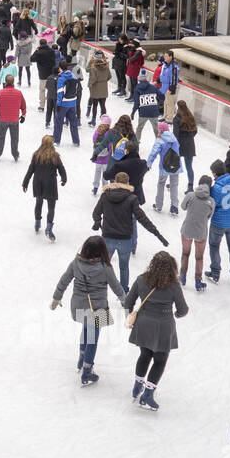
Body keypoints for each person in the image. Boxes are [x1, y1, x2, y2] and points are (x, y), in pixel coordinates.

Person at [51, 235, 127, 386]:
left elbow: (64, 279)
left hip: (79, 304)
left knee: (86, 329)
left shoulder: (76, 263)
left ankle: (81, 359)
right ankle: (87, 370)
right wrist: (126, 302)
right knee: (93, 338)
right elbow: (116, 287)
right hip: (97, 308)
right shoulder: (105, 268)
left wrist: (56, 297)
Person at [123, 251, 188, 411]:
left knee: (144, 355)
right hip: (164, 326)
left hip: (144, 324)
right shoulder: (173, 286)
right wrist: (177, 315)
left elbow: (128, 302)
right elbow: (183, 309)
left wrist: (130, 316)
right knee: (159, 360)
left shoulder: (141, 280)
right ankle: (148, 394)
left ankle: (137, 386)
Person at [92, 171, 167, 292]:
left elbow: (96, 213)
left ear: (115, 182)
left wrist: (97, 222)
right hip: (125, 239)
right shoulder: (132, 198)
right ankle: (124, 293)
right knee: (124, 267)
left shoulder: (105, 195)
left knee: (103, 266)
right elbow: (142, 218)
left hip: (108, 238)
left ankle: (98, 290)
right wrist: (157, 234)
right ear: (127, 183)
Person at [206, 159, 230, 285]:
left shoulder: (216, 188)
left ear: (215, 174)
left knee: (214, 245)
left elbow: (213, 204)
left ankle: (215, 273)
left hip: (219, 222)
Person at [23, 135, 67, 239]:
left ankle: (37, 223)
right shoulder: (55, 156)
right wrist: (64, 179)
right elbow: (61, 168)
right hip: (50, 183)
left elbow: (30, 170)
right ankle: (49, 227)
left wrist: (25, 183)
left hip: (38, 183)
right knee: (51, 207)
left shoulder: (36, 155)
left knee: (39, 202)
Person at [179, 176, 214, 291]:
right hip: (201, 232)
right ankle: (198, 282)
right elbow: (209, 216)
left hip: (187, 230)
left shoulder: (190, 195)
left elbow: (183, 207)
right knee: (199, 257)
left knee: (185, 254)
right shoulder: (211, 201)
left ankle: (182, 277)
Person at [146, 121, 183, 216]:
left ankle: (159, 205)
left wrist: (149, 163)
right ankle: (174, 207)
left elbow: (153, 153)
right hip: (176, 165)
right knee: (174, 185)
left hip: (164, 167)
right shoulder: (174, 138)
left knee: (161, 184)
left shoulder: (160, 140)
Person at [0, 74, 26, 162]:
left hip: (3, 119)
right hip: (14, 119)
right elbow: (23, 105)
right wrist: (23, 115)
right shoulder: (18, 93)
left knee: (1, 137)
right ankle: (15, 154)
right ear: (13, 82)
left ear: (5, 82)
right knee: (14, 138)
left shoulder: (0, 92)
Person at [51, 61, 82, 146]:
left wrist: (58, 104)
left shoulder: (61, 78)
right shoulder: (73, 76)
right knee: (73, 123)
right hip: (73, 102)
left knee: (58, 122)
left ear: (60, 68)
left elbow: (60, 92)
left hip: (64, 104)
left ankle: (56, 141)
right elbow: (77, 89)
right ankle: (76, 141)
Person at [130, 71, 163, 145]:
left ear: (139, 80)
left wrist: (133, 112)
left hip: (143, 112)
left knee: (139, 128)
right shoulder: (153, 87)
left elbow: (136, 103)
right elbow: (161, 96)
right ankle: (159, 142)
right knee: (156, 128)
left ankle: (136, 142)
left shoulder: (137, 89)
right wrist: (160, 103)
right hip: (153, 111)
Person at [156, 50, 181, 121]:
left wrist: (171, 89)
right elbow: (162, 75)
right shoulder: (165, 64)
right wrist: (157, 81)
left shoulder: (174, 66)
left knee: (170, 103)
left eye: (166, 56)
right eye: (164, 56)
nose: (165, 58)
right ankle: (165, 116)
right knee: (165, 103)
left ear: (171, 57)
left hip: (169, 88)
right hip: (164, 87)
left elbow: (174, 78)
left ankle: (169, 119)